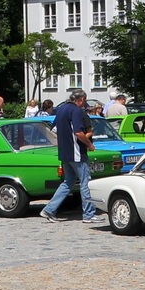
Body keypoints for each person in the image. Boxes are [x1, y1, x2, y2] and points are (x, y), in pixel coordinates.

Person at [39, 88, 102, 223]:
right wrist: (89, 144)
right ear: (82, 99)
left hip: (64, 152)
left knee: (68, 182)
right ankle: (89, 214)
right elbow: (78, 133)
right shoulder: (76, 110)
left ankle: (49, 209)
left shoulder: (61, 109)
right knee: (85, 182)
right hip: (76, 152)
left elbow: (53, 129)